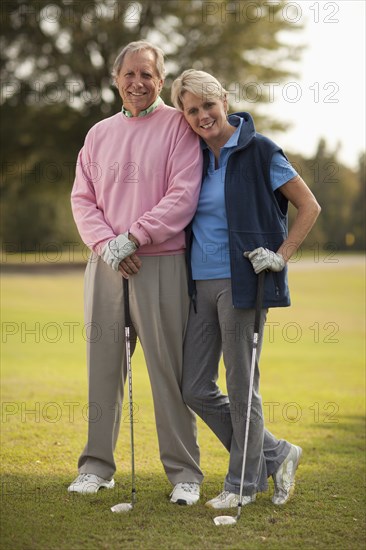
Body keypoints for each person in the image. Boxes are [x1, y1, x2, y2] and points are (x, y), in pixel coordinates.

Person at [171, 69, 321, 509]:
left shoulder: (260, 150)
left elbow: (309, 205)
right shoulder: (193, 157)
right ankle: (276, 452)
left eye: (207, 105)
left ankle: (242, 485)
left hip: (245, 284)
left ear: (225, 100)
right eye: (191, 110)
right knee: (195, 386)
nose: (202, 116)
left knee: (241, 387)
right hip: (201, 285)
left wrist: (282, 253)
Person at [69, 42, 204, 505]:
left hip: (160, 262)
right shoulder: (97, 134)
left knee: (169, 371)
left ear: (160, 79)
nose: (137, 82)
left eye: (147, 74)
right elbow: (82, 201)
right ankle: (96, 468)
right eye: (129, 74)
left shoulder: (178, 127)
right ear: (116, 78)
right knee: (102, 369)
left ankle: (185, 473)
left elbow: (183, 194)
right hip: (106, 264)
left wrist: (136, 236)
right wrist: (110, 245)